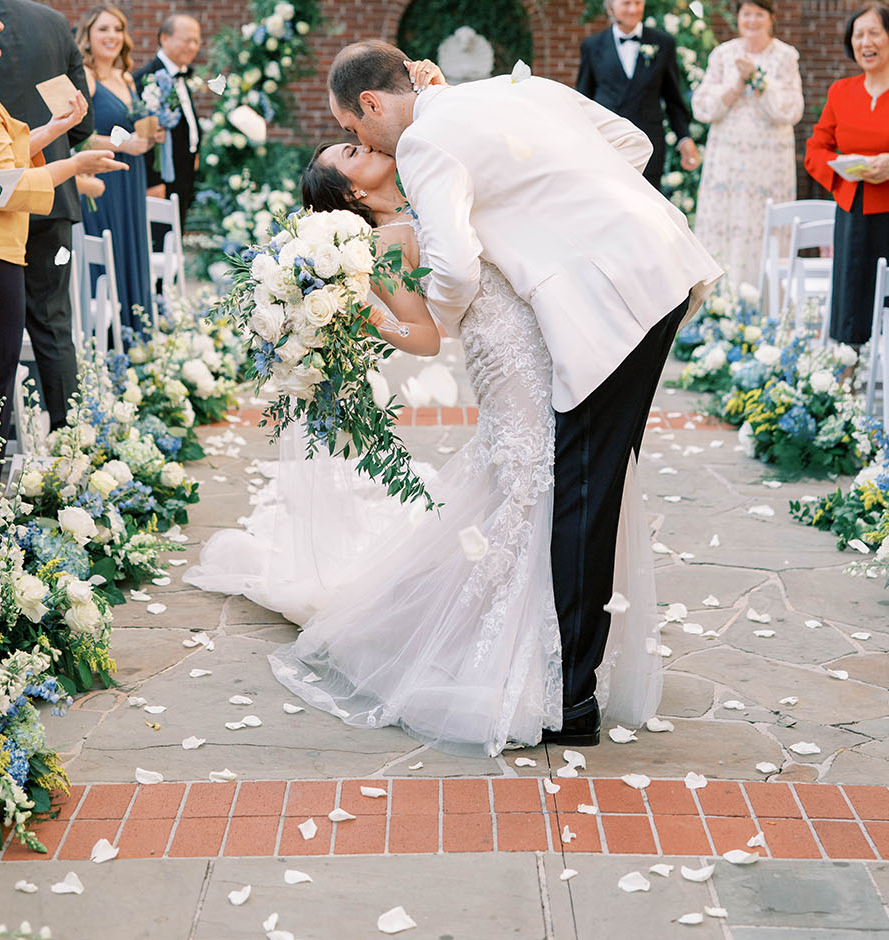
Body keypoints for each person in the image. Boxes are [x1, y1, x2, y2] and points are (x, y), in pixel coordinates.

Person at [188, 91, 672, 755]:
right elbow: (424, 332)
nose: (365, 146)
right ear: (348, 193)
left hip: (523, 326)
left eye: (356, 135)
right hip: (499, 338)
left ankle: (556, 653)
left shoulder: (421, 179)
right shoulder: (381, 240)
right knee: (529, 476)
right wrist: (366, 310)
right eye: (350, 151)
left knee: (531, 476)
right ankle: (537, 656)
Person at [325, 40, 721, 748]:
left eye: (353, 131)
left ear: (372, 104)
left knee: (581, 485)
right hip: (662, 265)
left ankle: (570, 699)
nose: (359, 141)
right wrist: (557, 212)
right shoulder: (515, 88)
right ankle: (573, 675)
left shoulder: (424, 144)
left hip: (610, 302)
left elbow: (454, 273)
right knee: (597, 482)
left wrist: (448, 310)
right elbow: (629, 143)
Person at [0, 0, 125, 490]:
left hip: (8, 241)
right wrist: (73, 163)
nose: (1, 23)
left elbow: (9, 152)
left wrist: (56, 126)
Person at [0, 0, 96, 430]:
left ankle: (2, 452)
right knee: (51, 323)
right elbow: (83, 121)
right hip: (39, 207)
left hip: (8, 205)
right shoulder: (52, 20)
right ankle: (70, 441)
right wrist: (68, 144)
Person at [805, 3, 889, 411]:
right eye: (858, 36)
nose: (865, 43)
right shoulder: (840, 92)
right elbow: (816, 147)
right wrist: (839, 171)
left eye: (874, 34)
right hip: (852, 214)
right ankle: (840, 414)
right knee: (851, 311)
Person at [690, 0, 804, 291]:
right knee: (725, 225)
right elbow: (702, 107)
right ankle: (720, 306)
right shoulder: (723, 54)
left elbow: (791, 110)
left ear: (771, 19)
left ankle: (765, 306)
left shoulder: (785, 56)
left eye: (759, 13)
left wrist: (758, 79)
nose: (752, 20)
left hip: (769, 163)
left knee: (763, 225)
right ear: (738, 18)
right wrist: (737, 83)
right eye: (746, 13)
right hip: (726, 161)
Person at [575, 0, 699, 191]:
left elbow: (673, 99)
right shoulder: (592, 46)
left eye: (638, 3)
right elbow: (583, 98)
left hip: (648, 144)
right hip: (607, 143)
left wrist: (684, 139)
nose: (633, 9)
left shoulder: (663, 43)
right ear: (610, 7)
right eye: (626, 3)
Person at [76, 5, 155, 333]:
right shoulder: (86, 78)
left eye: (117, 30)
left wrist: (151, 133)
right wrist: (122, 145)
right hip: (103, 181)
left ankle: (135, 333)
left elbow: (138, 130)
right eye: (103, 30)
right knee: (108, 254)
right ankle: (106, 337)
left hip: (131, 178)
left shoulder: (126, 78)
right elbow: (77, 140)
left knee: (131, 246)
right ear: (88, 37)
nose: (112, 37)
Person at [134, 13, 203, 222]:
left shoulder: (181, 75)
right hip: (161, 179)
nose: (192, 46)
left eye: (196, 41)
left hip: (184, 172)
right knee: (160, 242)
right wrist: (152, 181)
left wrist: (195, 150)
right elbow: (142, 132)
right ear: (164, 38)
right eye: (186, 40)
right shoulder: (147, 79)